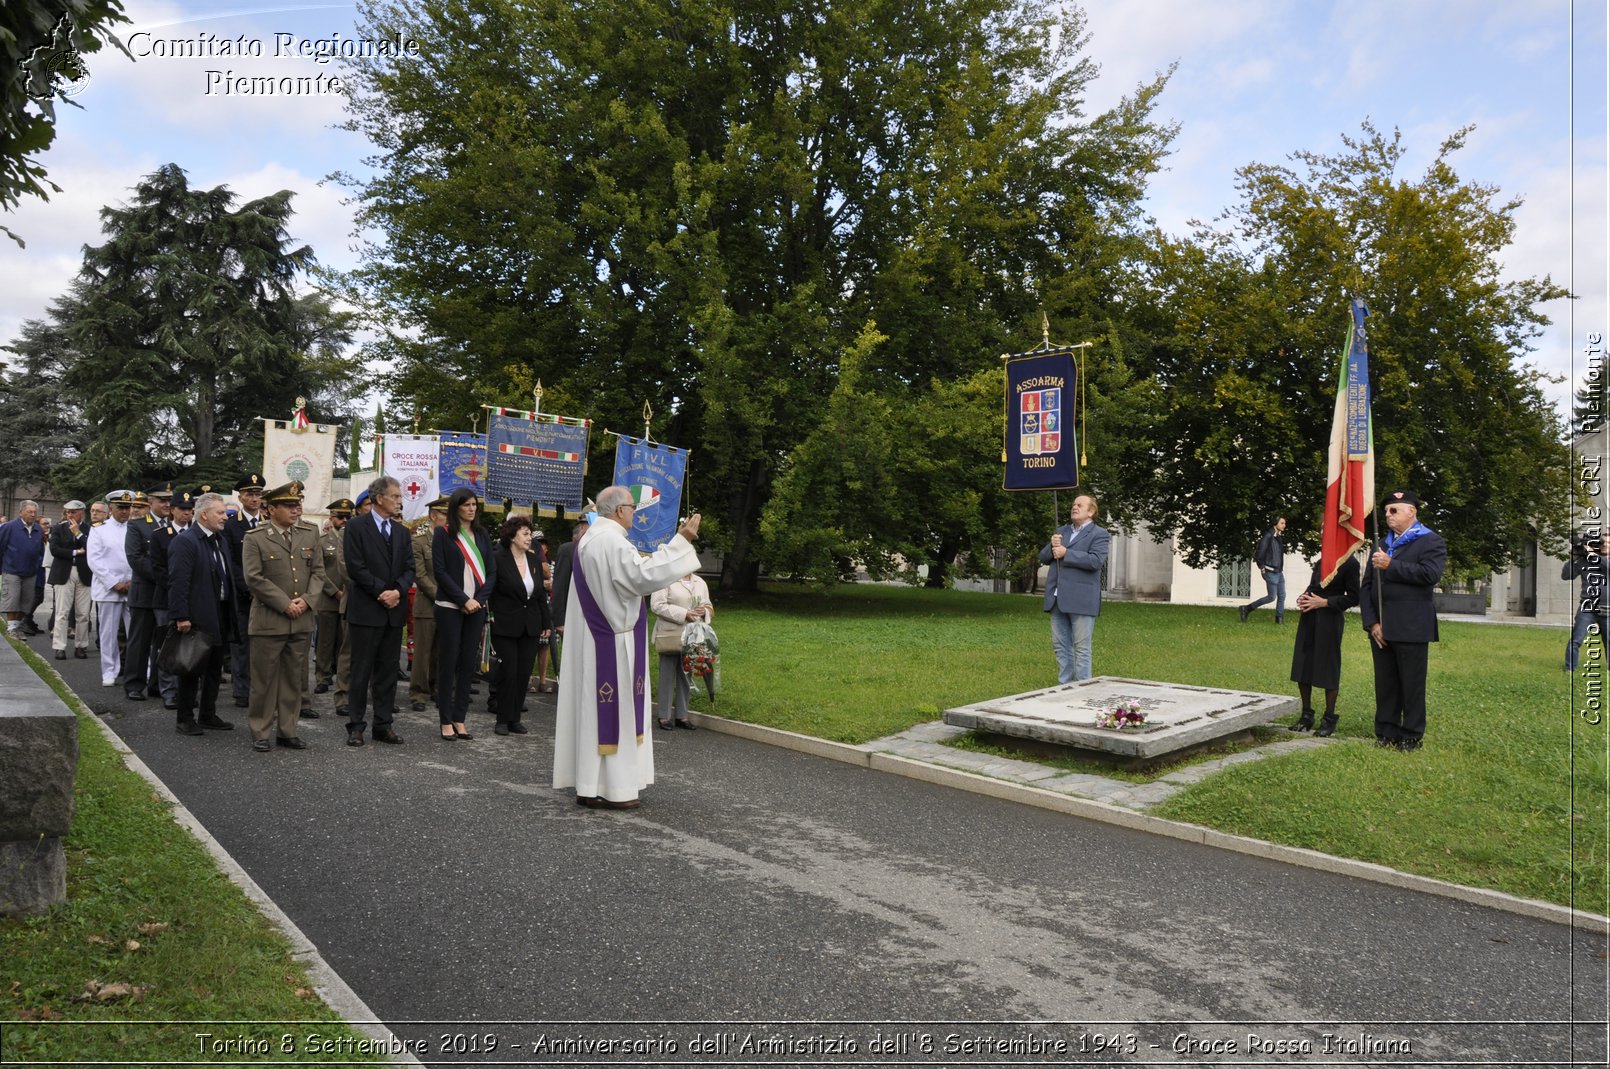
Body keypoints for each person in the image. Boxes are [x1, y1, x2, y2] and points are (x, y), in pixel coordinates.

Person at [554, 487, 702, 810]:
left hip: (593, 639)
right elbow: (641, 577)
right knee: (615, 713)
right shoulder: (612, 541)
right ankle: (617, 789)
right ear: (619, 510)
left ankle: (589, 784)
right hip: (614, 642)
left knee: (592, 713)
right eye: (633, 507)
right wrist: (682, 541)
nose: (636, 512)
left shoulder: (589, 539)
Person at [1359, 490, 1447, 751]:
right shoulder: (1382, 544)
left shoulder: (1430, 541)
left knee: (1411, 684)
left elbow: (1430, 575)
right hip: (1381, 628)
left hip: (1411, 626)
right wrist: (1372, 623)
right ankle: (1386, 732)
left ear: (1412, 511)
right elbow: (1366, 587)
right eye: (1386, 511)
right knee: (1385, 683)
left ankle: (1411, 735)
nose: (1388, 515)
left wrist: (1391, 566)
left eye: (1394, 510)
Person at [241, 481, 323, 753]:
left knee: (293, 679)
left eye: (297, 504)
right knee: (264, 680)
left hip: (300, 619)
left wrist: (308, 600)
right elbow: (254, 578)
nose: (296, 509)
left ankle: (288, 730)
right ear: (271, 509)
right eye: (289, 505)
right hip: (269, 620)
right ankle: (261, 731)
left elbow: (318, 573)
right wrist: (285, 603)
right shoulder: (255, 537)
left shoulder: (310, 533)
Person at [343, 476, 413, 746]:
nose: (399, 501)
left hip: (393, 611)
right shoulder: (356, 527)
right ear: (379, 498)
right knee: (361, 671)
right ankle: (356, 725)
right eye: (395, 496)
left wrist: (397, 591)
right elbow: (355, 566)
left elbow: (409, 568)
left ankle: (383, 725)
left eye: (399, 497)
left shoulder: (401, 532)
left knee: (387, 671)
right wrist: (381, 592)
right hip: (367, 610)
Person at [167, 491, 240, 735]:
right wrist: (181, 616)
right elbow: (178, 581)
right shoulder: (186, 541)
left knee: (214, 668)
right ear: (204, 514)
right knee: (192, 667)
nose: (225, 517)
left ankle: (208, 714)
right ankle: (184, 718)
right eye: (220, 513)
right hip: (196, 615)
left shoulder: (220, 540)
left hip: (219, 612)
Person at [431, 488, 494, 741]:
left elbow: (492, 573)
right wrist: (463, 600)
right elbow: (441, 572)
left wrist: (478, 600)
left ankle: (460, 718)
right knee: (448, 663)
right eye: (466, 505)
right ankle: (445, 720)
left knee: (468, 663)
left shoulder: (482, 535)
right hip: (450, 607)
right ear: (456, 508)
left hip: (476, 609)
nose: (471, 509)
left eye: (474, 505)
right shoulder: (444, 534)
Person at [488, 514, 550, 735]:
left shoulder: (533, 560)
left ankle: (515, 718)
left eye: (530, 534)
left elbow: (540, 594)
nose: (529, 538)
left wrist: (546, 621)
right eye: (525, 534)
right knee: (509, 672)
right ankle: (502, 719)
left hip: (530, 625)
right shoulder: (498, 558)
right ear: (512, 536)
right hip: (505, 624)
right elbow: (491, 590)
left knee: (524, 673)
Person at [1038, 494, 1111, 684]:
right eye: (1073, 504)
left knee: (1081, 647)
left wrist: (1066, 553)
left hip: (1081, 599)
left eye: (1080, 505)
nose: (1074, 507)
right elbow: (1044, 557)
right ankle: (1064, 686)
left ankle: (1082, 688)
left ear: (1091, 511)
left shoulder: (1099, 534)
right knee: (1060, 646)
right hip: (1057, 598)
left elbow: (1096, 561)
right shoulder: (1062, 531)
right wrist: (1052, 545)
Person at [1288, 552, 1361, 736]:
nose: (1323, 531)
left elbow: (1353, 597)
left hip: (1329, 619)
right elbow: (1315, 586)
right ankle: (1306, 715)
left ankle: (1329, 718)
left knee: (1328, 665)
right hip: (1309, 616)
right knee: (1303, 663)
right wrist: (1305, 596)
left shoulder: (1350, 562)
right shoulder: (1323, 560)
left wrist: (1325, 602)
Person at [122, 485, 173, 702]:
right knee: (140, 641)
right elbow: (135, 558)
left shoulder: (175, 526)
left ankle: (157, 685)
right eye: (162, 501)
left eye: (169, 500)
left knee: (163, 642)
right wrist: (165, 577)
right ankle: (134, 683)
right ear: (150, 503)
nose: (166, 505)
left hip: (166, 594)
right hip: (146, 592)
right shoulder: (137, 525)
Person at [223, 473, 267, 708]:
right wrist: (248, 587)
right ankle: (241, 691)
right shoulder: (231, 525)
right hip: (243, 595)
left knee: (263, 644)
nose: (254, 498)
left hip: (266, 595)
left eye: (258, 494)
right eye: (249, 494)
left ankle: (261, 688)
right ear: (240, 497)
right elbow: (231, 562)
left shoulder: (268, 523)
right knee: (242, 644)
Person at [147, 488, 193, 709]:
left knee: (190, 647)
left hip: (192, 599)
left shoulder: (197, 534)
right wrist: (177, 588)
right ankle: (168, 691)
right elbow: (157, 568)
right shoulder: (159, 535)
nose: (186, 513)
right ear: (172, 510)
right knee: (167, 644)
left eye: (189, 510)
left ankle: (187, 690)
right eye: (182, 509)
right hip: (166, 597)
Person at [650, 570, 712, 731]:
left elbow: (708, 605)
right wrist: (684, 614)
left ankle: (682, 715)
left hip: (693, 634)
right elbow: (657, 605)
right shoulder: (665, 579)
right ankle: (664, 716)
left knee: (686, 675)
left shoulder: (700, 582)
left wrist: (704, 611)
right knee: (667, 675)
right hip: (670, 634)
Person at [87, 490, 135, 687]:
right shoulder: (99, 529)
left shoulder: (134, 528)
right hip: (108, 589)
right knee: (108, 633)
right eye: (120, 507)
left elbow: (138, 556)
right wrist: (114, 583)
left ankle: (140, 669)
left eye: (127, 507)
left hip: (132, 588)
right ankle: (109, 670)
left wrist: (132, 581)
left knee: (136, 632)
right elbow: (94, 559)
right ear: (111, 509)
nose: (124, 511)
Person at [409, 496, 448, 711]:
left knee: (441, 651)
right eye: (444, 514)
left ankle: (436, 689)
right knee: (423, 653)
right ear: (433, 517)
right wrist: (442, 596)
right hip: (427, 605)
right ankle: (418, 693)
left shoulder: (453, 541)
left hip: (448, 606)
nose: (448, 518)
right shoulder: (419, 542)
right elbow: (421, 575)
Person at [312, 499, 353, 693]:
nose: (344, 520)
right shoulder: (322, 541)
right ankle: (323, 676)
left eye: (348, 517)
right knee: (325, 641)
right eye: (340, 517)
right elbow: (319, 571)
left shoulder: (353, 540)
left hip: (349, 596)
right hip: (328, 598)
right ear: (332, 518)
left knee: (344, 641)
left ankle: (341, 676)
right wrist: (334, 591)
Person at [48, 499, 93, 660]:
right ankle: (59, 647)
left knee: (83, 613)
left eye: (73, 512)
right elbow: (54, 549)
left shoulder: (90, 529)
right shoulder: (58, 528)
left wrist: (78, 534)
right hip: (64, 572)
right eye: (67, 512)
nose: (70, 515)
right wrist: (75, 553)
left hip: (84, 573)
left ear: (82, 512)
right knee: (62, 612)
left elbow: (93, 548)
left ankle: (81, 646)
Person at [550, 511, 592, 665]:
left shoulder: (601, 549)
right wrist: (560, 621)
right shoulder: (568, 549)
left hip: (594, 617)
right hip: (571, 615)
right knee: (573, 662)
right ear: (582, 527)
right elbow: (559, 585)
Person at [0, 500, 46, 637]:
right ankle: (11, 629)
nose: (32, 515)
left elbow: (40, 550)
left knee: (26, 602)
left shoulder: (38, 530)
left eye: (34, 512)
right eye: (29, 512)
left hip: (31, 572)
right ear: (21, 513)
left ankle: (17, 627)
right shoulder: (9, 527)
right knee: (12, 599)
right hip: (12, 570)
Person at [1563, 534, 1607, 672]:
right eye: (1603, 542)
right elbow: (1566, 576)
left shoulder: (1603, 560)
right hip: (1587, 608)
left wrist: (1591, 553)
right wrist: (1572, 560)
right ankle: (1570, 669)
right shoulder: (1584, 562)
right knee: (1576, 640)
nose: (1605, 545)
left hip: (1608, 609)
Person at [1239, 516, 1288, 623]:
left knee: (1282, 595)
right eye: (1282, 523)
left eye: (1284, 523)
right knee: (1271, 597)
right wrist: (1262, 567)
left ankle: (1279, 619)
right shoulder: (1268, 536)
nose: (1284, 525)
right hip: (1270, 571)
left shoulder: (1278, 537)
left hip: (1279, 572)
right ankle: (1246, 609)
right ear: (1275, 523)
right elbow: (1259, 553)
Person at [531, 529, 557, 692]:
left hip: (547, 606)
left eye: (544, 544)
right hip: (533, 605)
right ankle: (527, 680)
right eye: (538, 544)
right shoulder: (528, 561)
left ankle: (542, 681)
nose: (542, 547)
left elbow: (554, 583)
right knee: (531, 644)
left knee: (545, 645)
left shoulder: (552, 564)